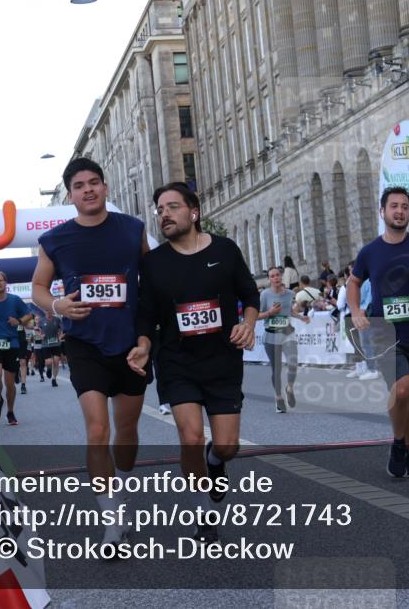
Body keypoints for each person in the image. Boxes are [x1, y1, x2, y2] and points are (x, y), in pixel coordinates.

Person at [129, 182, 259, 544]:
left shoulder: (225, 250)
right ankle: (203, 513)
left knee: (227, 446)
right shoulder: (153, 264)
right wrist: (142, 344)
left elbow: (250, 294)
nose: (164, 214)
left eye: (172, 206)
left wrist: (248, 324)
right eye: (159, 209)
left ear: (193, 212)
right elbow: (145, 315)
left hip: (222, 361)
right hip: (177, 360)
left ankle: (215, 461)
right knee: (190, 436)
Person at [31, 157, 151, 546]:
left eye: (94, 182)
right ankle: (111, 517)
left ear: (105, 187)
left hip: (130, 344)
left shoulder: (132, 230)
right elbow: (38, 289)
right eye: (80, 185)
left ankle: (123, 489)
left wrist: (149, 337)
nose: (88, 190)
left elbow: (151, 283)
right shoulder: (55, 239)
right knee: (97, 430)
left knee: (127, 433)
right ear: (71, 195)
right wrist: (57, 306)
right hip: (84, 345)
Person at [349, 186, 409, 479]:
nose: (400, 211)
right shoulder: (370, 252)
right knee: (402, 389)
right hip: (385, 332)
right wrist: (356, 312)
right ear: (383, 212)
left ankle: (404, 449)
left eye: (404, 206)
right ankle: (396, 442)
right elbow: (353, 283)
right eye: (394, 206)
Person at [0, 271, 33, 426]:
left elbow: (29, 315)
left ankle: (10, 412)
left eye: (1, 280)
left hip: (12, 344)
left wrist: (18, 321)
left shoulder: (15, 300)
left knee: (10, 384)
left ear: (5, 283)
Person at [259, 266, 310, 413]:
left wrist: (301, 317)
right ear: (269, 279)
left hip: (287, 333)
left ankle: (289, 388)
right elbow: (256, 315)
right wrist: (270, 312)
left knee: (293, 363)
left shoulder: (288, 293)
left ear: (281, 276)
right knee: (277, 369)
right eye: (272, 276)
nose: (276, 278)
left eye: (277, 275)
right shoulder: (265, 295)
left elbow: (290, 311)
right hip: (271, 335)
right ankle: (279, 398)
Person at [38, 313, 63, 387]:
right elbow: (38, 330)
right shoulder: (42, 321)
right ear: (44, 312)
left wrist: (60, 336)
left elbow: (61, 328)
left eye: (49, 311)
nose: (48, 312)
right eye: (46, 311)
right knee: (49, 362)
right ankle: (49, 368)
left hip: (56, 344)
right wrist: (40, 335)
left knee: (56, 362)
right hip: (46, 344)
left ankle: (54, 379)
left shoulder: (57, 319)